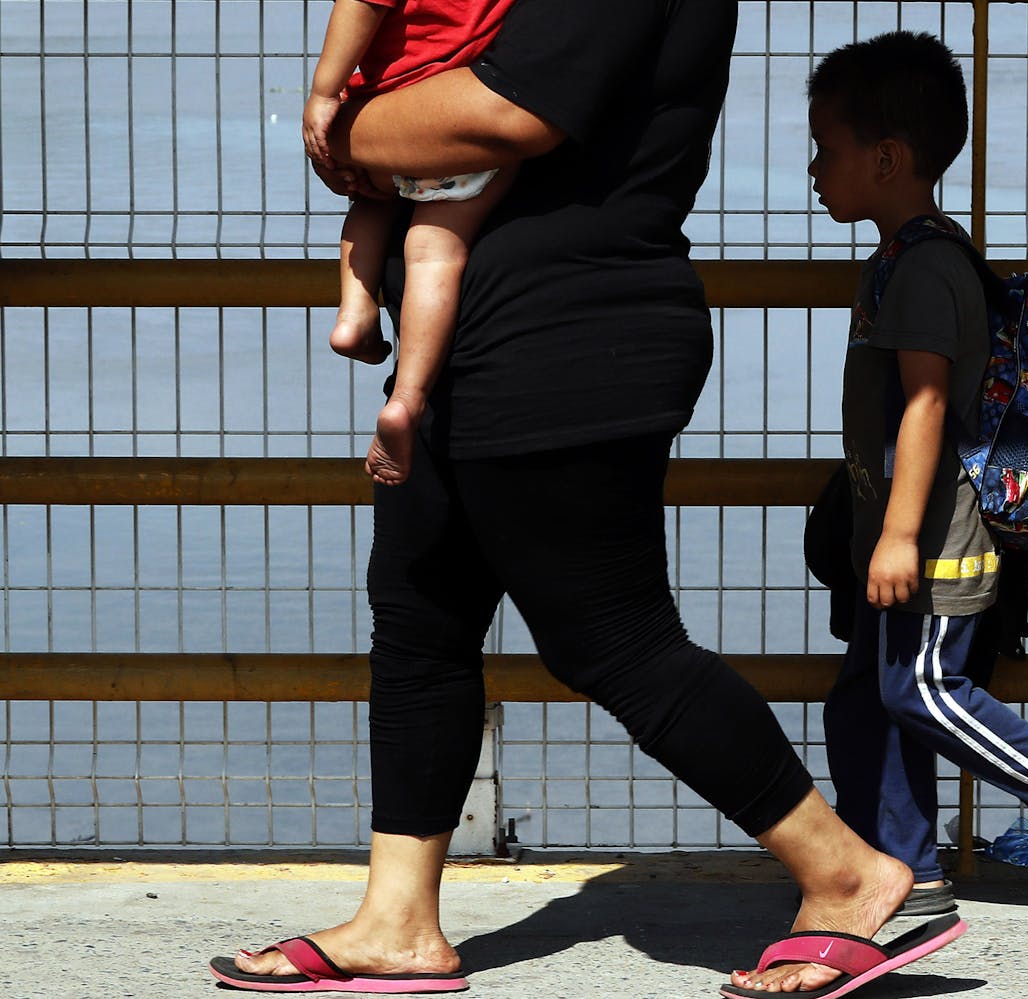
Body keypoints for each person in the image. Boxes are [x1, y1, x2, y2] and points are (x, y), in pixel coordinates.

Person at [208, 3, 963, 997]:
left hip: (568, 331)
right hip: (478, 342)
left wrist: (340, 124)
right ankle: (396, 922)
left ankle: (848, 873)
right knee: (421, 616)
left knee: (612, 637)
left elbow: (503, 115)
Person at [808, 29, 1028, 919]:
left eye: (825, 149)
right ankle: (906, 872)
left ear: (887, 158)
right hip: (902, 530)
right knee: (861, 705)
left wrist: (899, 537)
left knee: (919, 688)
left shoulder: (924, 270)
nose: (812, 168)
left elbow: (923, 408)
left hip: (934, 535)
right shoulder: (902, 260)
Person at [306, 0, 516, 486]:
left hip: (385, 117)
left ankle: (354, 314)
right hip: (457, 121)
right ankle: (408, 398)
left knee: (371, 202)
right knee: (437, 252)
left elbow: (361, 6)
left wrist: (322, 92)